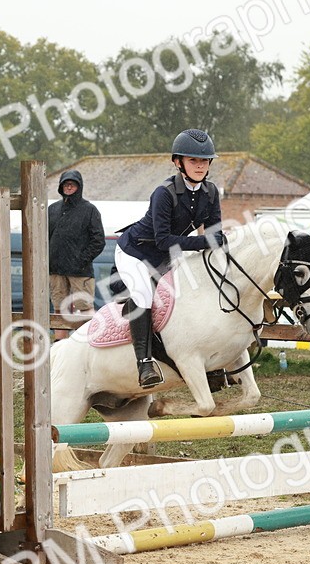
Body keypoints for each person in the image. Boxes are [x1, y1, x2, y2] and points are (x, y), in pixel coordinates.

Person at [115, 128, 225, 387]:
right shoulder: (163, 193)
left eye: (204, 161)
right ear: (179, 162)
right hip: (135, 252)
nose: (200, 166)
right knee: (143, 293)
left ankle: (211, 361)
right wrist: (205, 242)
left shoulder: (210, 192)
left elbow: (214, 235)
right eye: (193, 160)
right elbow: (164, 239)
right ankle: (144, 364)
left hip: (167, 253)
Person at [47, 168, 105, 340]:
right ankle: (59, 345)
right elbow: (44, 236)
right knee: (59, 308)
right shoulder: (52, 209)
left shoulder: (90, 210)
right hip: (55, 269)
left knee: (85, 308)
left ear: (79, 187)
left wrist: (81, 260)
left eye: (72, 184)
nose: (69, 187)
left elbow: (98, 241)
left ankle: (87, 343)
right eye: (66, 184)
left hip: (80, 271)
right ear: (61, 187)